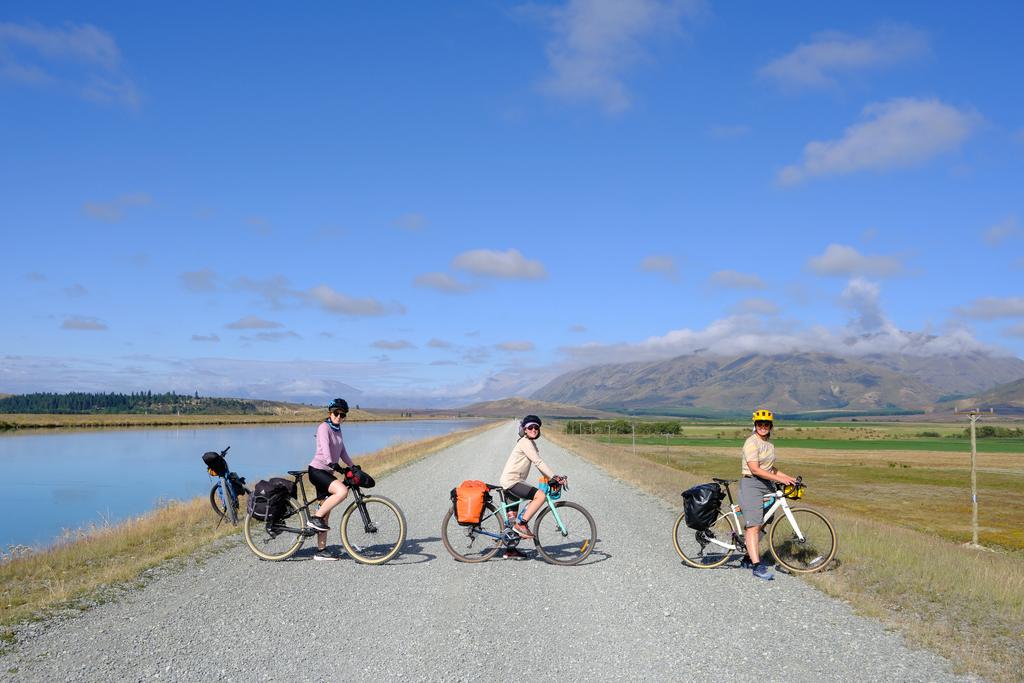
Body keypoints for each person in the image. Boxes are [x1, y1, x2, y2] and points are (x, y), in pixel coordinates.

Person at [740, 408, 796, 581]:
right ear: (755, 425)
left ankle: (748, 557)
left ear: (770, 426)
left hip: (767, 484)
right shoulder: (751, 442)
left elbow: (770, 469)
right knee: (754, 525)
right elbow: (755, 469)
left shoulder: (769, 445)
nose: (763, 427)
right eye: (759, 424)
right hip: (752, 484)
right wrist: (776, 478)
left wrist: (789, 478)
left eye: (766, 424)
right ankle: (757, 566)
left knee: (765, 521)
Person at [498, 414, 561, 559]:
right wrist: (554, 477)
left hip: (511, 481)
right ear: (525, 430)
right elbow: (538, 462)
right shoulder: (525, 442)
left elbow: (537, 463)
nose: (534, 429)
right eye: (530, 427)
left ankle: (510, 550)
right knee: (540, 496)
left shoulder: (530, 443)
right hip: (512, 481)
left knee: (511, 520)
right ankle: (522, 524)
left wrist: (550, 479)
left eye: (536, 427)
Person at [305, 398, 356, 561]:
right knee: (342, 491)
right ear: (330, 412)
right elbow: (326, 450)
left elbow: (342, 452)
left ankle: (321, 551)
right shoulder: (323, 427)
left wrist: (353, 466)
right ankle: (314, 518)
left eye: (343, 415)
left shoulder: (338, 429)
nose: (339, 417)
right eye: (336, 413)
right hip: (317, 470)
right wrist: (332, 464)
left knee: (326, 512)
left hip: (327, 472)